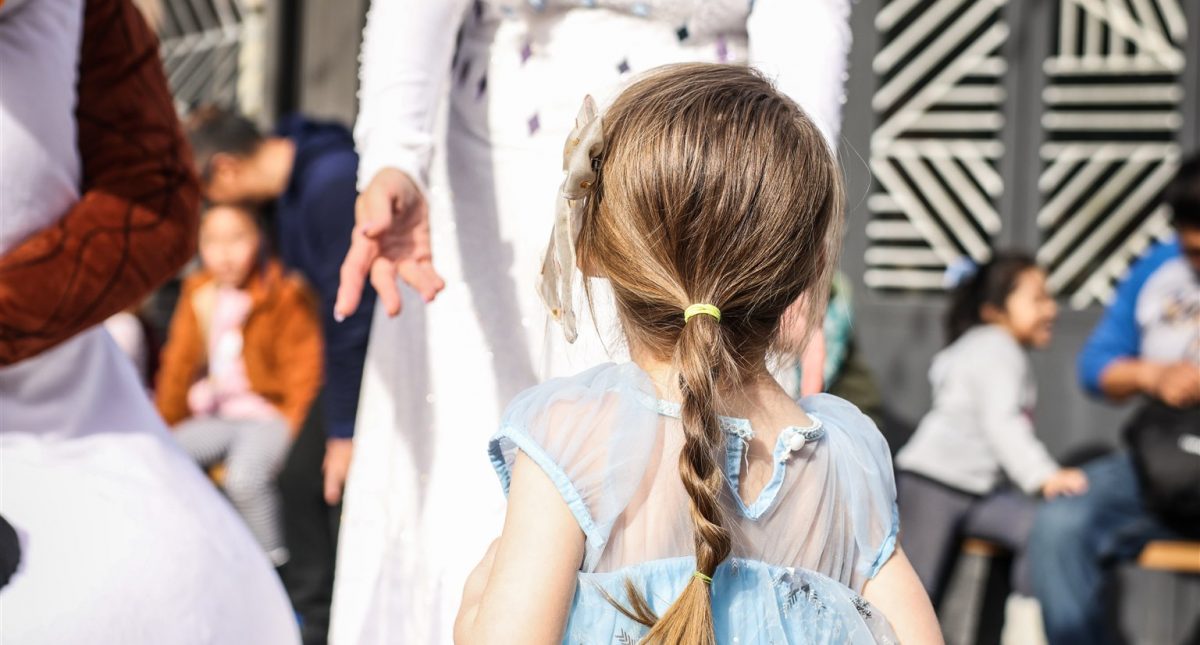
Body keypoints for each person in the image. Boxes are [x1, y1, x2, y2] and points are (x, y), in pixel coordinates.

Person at [332, 2, 854, 641]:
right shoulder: (854, 462)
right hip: (495, 152)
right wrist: (394, 153)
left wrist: (784, 233)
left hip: (703, 172)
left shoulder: (554, 440)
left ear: (584, 255)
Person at [449, 63, 940, 645]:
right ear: (806, 271)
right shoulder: (849, 461)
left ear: (593, 249)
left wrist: (472, 619)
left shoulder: (574, 436)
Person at [0, 0, 299, 641]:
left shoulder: (273, 293)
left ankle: (285, 565)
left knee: (196, 569)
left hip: (82, 415)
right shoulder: (201, 302)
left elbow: (151, 205)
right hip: (178, 421)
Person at [186, 107, 374, 644]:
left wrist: (342, 431)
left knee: (303, 479)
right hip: (334, 364)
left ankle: (316, 623)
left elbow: (350, 318)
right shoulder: (293, 170)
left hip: (359, 364)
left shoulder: (329, 187)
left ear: (223, 170)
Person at [1029, 155, 1200, 645]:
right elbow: (1095, 366)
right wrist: (1152, 374)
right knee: (1062, 524)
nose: (1195, 264)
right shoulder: (1159, 269)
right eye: (1191, 251)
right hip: (1165, 465)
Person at [893, 253, 1088, 609]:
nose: (1051, 310)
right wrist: (1045, 476)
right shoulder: (996, 348)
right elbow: (1003, 424)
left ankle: (1023, 619)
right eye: (1038, 299)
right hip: (934, 482)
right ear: (995, 310)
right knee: (918, 588)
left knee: (1037, 528)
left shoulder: (998, 350)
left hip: (978, 491)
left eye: (1050, 298)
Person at [156, 203, 324, 566]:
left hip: (268, 414)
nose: (224, 253)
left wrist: (297, 446)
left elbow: (303, 375)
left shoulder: (282, 293)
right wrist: (162, 425)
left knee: (245, 478)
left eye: (236, 238)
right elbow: (178, 365)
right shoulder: (199, 292)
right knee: (164, 457)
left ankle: (273, 566)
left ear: (259, 239)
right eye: (212, 240)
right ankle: (201, 555)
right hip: (218, 415)